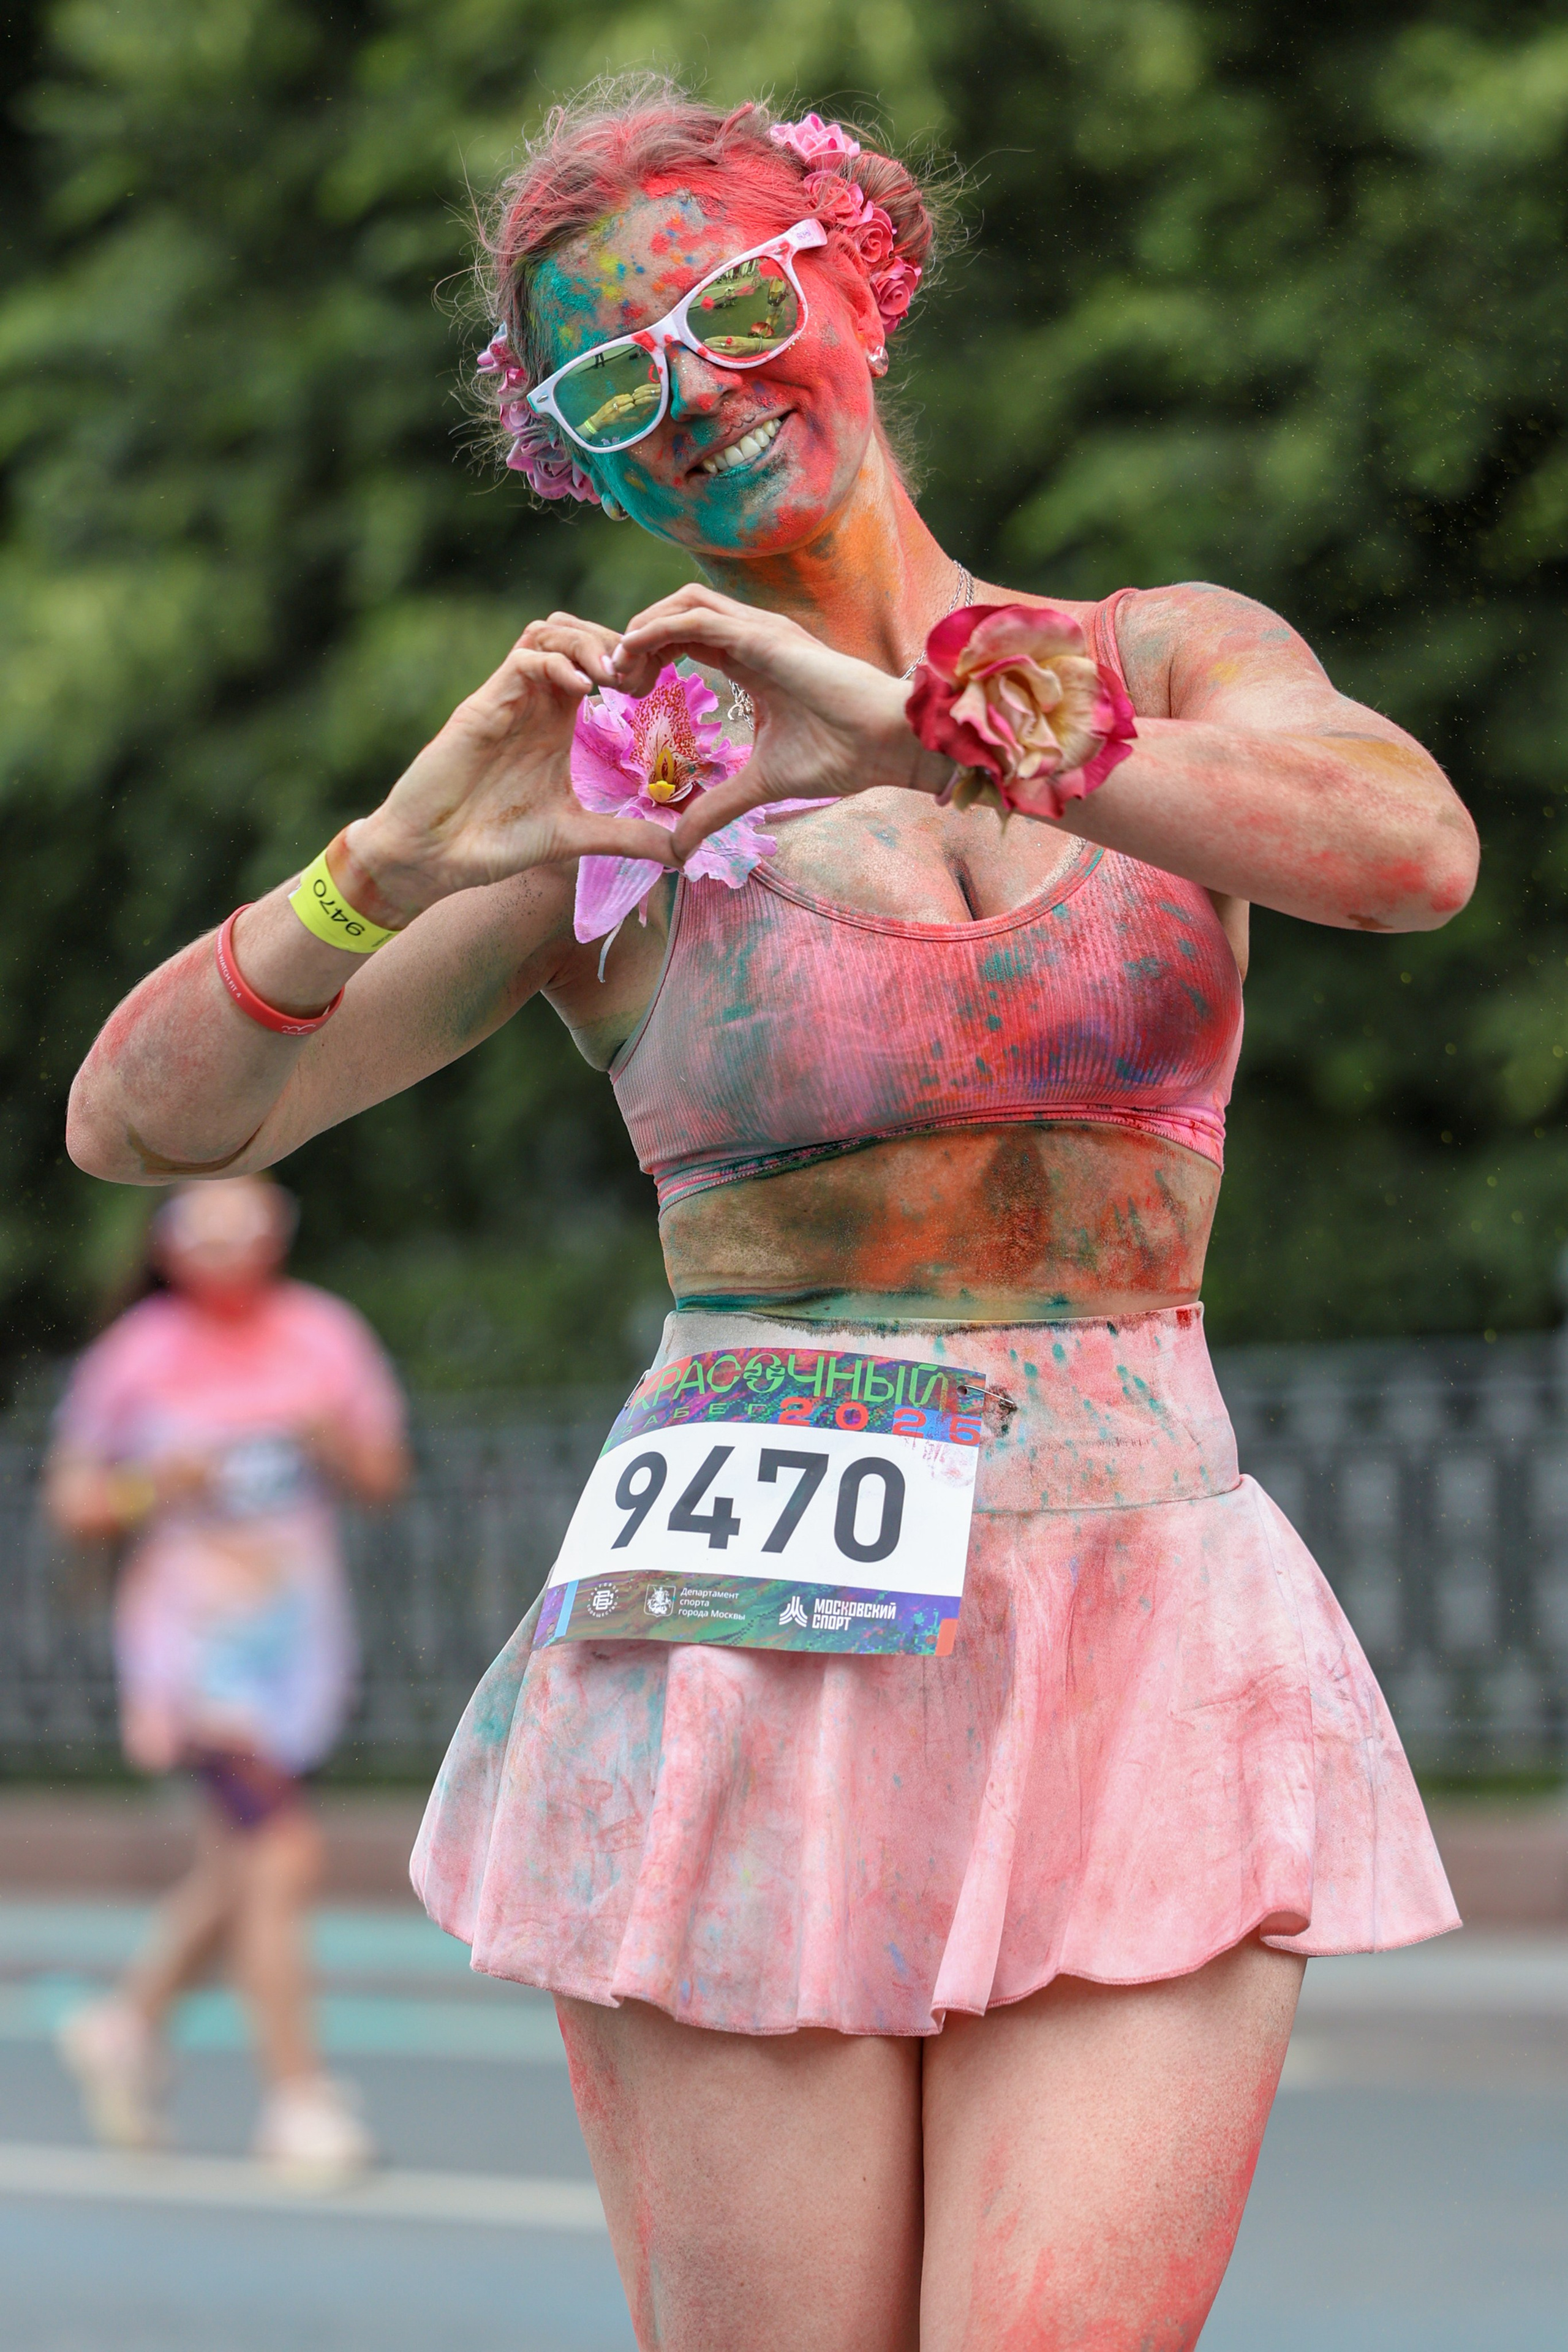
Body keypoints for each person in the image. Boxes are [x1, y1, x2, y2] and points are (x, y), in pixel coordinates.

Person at [62, 78, 1479, 2347]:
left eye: (731, 310)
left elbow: (1409, 857)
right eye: (614, 390)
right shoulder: (621, 792)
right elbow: (143, 1125)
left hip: (1138, 1614)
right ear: (585, 469)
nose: (697, 394)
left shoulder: (1164, 659)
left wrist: (943, 726)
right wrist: (382, 869)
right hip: (733, 1649)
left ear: (864, 285)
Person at [46, 1175, 409, 2180]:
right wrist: (156, 1484)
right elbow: (72, 1501)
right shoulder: (140, 1353)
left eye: (247, 1230)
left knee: (238, 1874)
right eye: (205, 1236)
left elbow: (385, 1478)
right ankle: (297, 2100)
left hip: (297, 1647)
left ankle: (126, 2026)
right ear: (170, 1249)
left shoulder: (323, 1334)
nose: (228, 1252)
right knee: (283, 1857)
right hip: (193, 1653)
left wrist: (332, 1443)